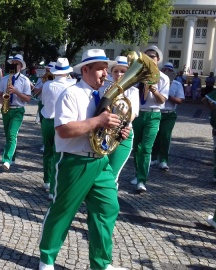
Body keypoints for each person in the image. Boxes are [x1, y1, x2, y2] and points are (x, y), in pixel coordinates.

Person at [38, 49, 127, 270]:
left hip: (100, 162)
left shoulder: (106, 95)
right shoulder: (71, 94)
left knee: (107, 209)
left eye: (106, 68)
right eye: (100, 68)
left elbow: (107, 129)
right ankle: (46, 259)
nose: (105, 73)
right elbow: (64, 130)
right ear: (85, 70)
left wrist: (118, 132)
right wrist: (98, 121)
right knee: (63, 211)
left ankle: (101, 264)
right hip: (74, 162)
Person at [130, 45, 170, 192]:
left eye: (153, 56)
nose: (150, 59)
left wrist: (154, 90)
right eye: (147, 56)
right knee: (136, 147)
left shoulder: (164, 78)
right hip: (138, 114)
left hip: (153, 114)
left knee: (146, 148)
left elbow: (162, 101)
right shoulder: (137, 75)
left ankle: (142, 180)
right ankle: (137, 173)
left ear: (158, 59)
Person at [40, 58, 76, 199]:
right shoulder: (73, 84)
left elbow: (43, 102)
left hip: (47, 121)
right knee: (60, 155)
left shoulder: (47, 85)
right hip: (63, 122)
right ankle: (55, 188)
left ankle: (47, 181)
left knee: (48, 152)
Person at [102, 56, 139, 188]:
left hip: (122, 134)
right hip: (103, 134)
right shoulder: (104, 89)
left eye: (123, 71)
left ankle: (109, 206)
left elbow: (131, 116)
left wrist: (118, 104)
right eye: (116, 71)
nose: (119, 74)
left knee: (112, 173)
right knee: (100, 171)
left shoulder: (133, 91)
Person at [0, 54, 32, 170]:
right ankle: (12, 157)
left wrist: (16, 91)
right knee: (9, 136)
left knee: (12, 134)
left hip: (18, 110)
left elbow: (27, 98)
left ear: (21, 66)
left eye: (16, 63)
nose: (13, 65)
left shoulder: (24, 80)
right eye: (12, 63)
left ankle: (6, 160)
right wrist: (3, 102)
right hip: (6, 109)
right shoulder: (5, 79)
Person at [150, 62, 184, 171]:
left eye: (169, 70)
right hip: (158, 112)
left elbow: (180, 100)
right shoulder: (157, 82)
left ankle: (163, 160)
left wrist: (168, 96)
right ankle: (153, 157)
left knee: (165, 135)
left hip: (169, 114)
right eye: (165, 70)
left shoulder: (177, 85)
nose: (167, 72)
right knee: (155, 135)